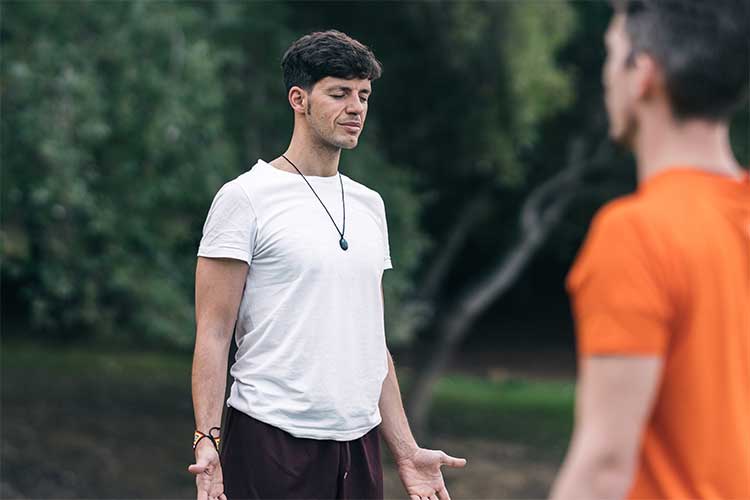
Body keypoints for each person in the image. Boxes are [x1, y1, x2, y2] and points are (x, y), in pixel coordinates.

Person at [187, 30, 466, 500]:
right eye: (339, 93)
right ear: (299, 99)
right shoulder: (245, 198)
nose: (356, 108)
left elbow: (371, 341)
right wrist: (207, 438)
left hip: (358, 446)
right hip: (270, 438)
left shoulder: (369, 205)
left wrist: (405, 450)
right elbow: (213, 332)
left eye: (364, 96)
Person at [550, 1, 750, 499]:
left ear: (642, 73)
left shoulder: (636, 234)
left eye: (610, 54)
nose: (605, 79)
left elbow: (604, 466)